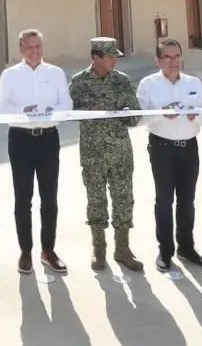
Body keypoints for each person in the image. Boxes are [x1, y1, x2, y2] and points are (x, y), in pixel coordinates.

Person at [0, 29, 71, 276]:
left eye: (38, 46)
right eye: (29, 47)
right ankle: (25, 251)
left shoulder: (55, 73)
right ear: (20, 49)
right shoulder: (10, 75)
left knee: (50, 199)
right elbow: (0, 107)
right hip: (21, 141)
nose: (34, 51)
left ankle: (48, 250)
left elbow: (66, 104)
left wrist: (50, 111)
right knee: (23, 199)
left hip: (48, 139)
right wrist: (22, 110)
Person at [136, 39, 202, 272]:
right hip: (161, 148)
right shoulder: (148, 84)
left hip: (189, 147)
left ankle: (187, 248)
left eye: (177, 56)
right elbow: (139, 119)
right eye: (167, 57)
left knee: (187, 201)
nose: (173, 61)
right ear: (158, 60)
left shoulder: (193, 82)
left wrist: (195, 116)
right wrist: (160, 114)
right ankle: (165, 251)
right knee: (164, 200)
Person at [69, 37, 143, 272]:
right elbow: (71, 114)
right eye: (110, 57)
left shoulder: (122, 81)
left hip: (120, 152)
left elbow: (135, 117)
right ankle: (99, 250)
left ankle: (122, 249)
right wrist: (93, 110)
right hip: (92, 154)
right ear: (95, 57)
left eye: (115, 57)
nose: (114, 61)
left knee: (124, 200)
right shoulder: (79, 82)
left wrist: (126, 113)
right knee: (96, 201)